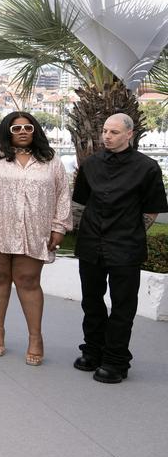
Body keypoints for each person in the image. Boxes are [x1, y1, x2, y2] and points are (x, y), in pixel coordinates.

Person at [0, 111, 71, 367]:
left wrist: (60, 226)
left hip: (34, 230)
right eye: (16, 128)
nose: (22, 131)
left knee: (29, 280)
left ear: (35, 131)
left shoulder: (51, 160)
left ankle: (36, 337)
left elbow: (63, 195)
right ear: (7, 131)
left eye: (28, 127)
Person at [72, 113, 168, 383]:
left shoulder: (147, 167)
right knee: (91, 301)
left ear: (129, 134)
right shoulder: (90, 164)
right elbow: (82, 201)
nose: (107, 136)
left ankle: (116, 361)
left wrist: (132, 233)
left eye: (114, 132)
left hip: (125, 247)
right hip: (91, 243)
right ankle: (92, 350)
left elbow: (151, 211)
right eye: (104, 131)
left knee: (123, 306)